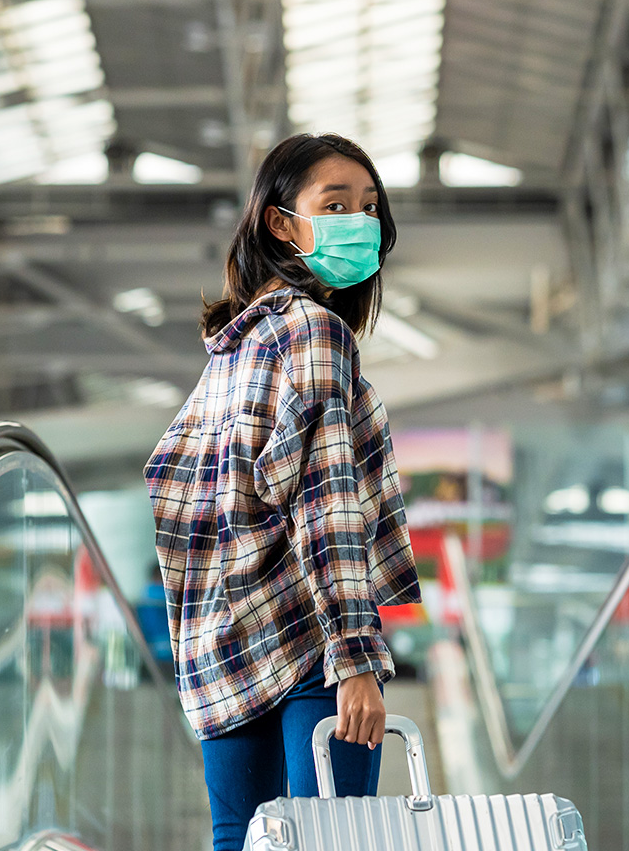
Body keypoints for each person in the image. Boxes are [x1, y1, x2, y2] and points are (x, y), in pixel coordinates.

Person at [145, 133, 422, 851]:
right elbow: (328, 503)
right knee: (334, 838)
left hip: (224, 648)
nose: (358, 221)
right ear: (279, 222)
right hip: (311, 646)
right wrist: (356, 660)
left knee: (239, 838)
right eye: (334, 204)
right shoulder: (314, 333)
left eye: (369, 206)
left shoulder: (227, 355)